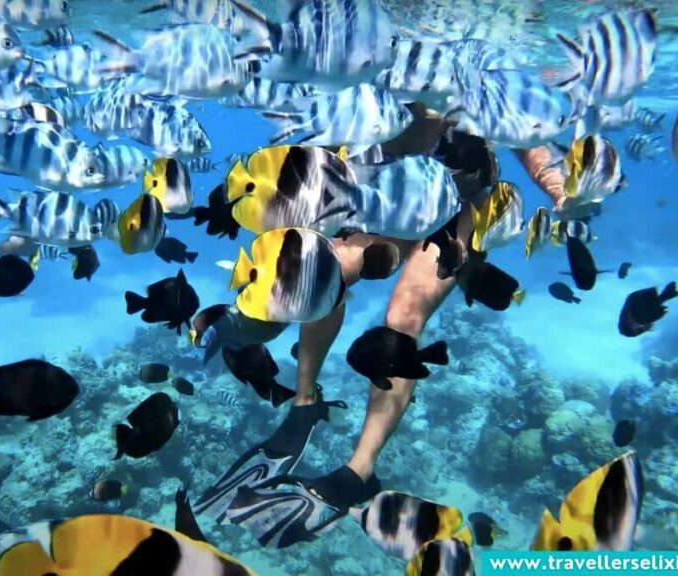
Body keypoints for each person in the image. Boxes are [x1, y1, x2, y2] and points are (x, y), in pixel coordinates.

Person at [194, 105, 568, 548]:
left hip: (458, 204)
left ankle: (360, 470)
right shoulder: (378, 65)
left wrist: (556, 186)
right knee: (326, 267)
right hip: (385, 194)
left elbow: (523, 125)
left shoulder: (469, 74)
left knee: (402, 321)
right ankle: (304, 400)